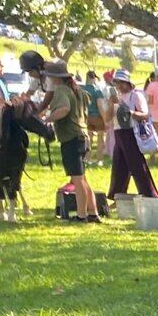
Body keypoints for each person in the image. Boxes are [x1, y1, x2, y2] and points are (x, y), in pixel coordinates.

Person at [39, 60, 98, 222]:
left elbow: (64, 109)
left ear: (54, 77)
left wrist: (47, 119)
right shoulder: (77, 90)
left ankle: (81, 215)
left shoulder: (61, 91)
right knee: (82, 178)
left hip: (71, 137)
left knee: (77, 180)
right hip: (83, 136)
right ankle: (93, 213)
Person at [105, 67, 158, 205]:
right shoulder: (116, 98)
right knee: (119, 167)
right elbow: (107, 117)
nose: (119, 86)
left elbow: (145, 115)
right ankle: (117, 197)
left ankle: (150, 196)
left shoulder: (136, 95)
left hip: (131, 133)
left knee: (137, 167)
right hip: (119, 133)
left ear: (128, 83)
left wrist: (130, 113)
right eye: (117, 83)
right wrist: (111, 103)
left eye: (121, 82)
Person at [82, 71, 108, 159]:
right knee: (100, 139)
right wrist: (105, 120)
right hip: (97, 117)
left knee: (88, 138)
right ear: (94, 78)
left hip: (85, 117)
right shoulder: (97, 90)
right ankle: (99, 159)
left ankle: (87, 157)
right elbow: (100, 106)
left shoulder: (81, 89)